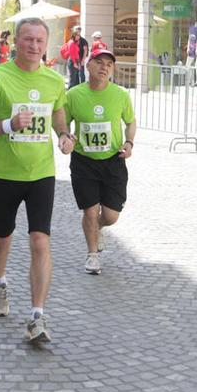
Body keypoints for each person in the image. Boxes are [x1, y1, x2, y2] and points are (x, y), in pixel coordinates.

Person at [0, 17, 76, 344]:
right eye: (28, 39)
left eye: (40, 41)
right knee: (3, 237)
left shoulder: (53, 80)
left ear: (46, 44)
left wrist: (63, 134)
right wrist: (8, 125)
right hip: (3, 173)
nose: (34, 45)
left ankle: (37, 316)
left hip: (41, 173)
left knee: (40, 240)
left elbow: (58, 111)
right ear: (17, 41)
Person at [64, 48, 136, 275]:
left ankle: (99, 227)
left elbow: (130, 122)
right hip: (84, 161)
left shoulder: (120, 94)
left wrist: (129, 143)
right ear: (88, 65)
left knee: (111, 216)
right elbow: (63, 125)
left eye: (109, 64)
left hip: (113, 160)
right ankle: (92, 254)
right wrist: (66, 138)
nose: (104, 67)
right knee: (90, 211)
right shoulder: (73, 95)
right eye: (99, 62)